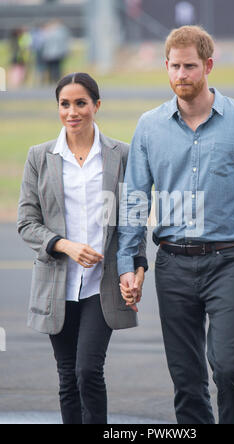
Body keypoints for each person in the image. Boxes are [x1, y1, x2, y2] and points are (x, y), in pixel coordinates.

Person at [117, 26, 234, 424]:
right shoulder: (149, 125)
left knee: (228, 366)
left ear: (208, 65)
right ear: (165, 67)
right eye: (174, 66)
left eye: (190, 66)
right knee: (187, 380)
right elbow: (134, 201)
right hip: (172, 265)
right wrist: (128, 261)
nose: (181, 74)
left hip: (227, 262)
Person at [17, 72, 147, 424]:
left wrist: (137, 270)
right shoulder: (39, 157)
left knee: (88, 370)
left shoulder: (121, 154)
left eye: (80, 103)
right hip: (56, 285)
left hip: (100, 286)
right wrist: (65, 245)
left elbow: (133, 222)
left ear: (96, 106)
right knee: (67, 376)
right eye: (64, 104)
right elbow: (26, 222)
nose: (72, 111)